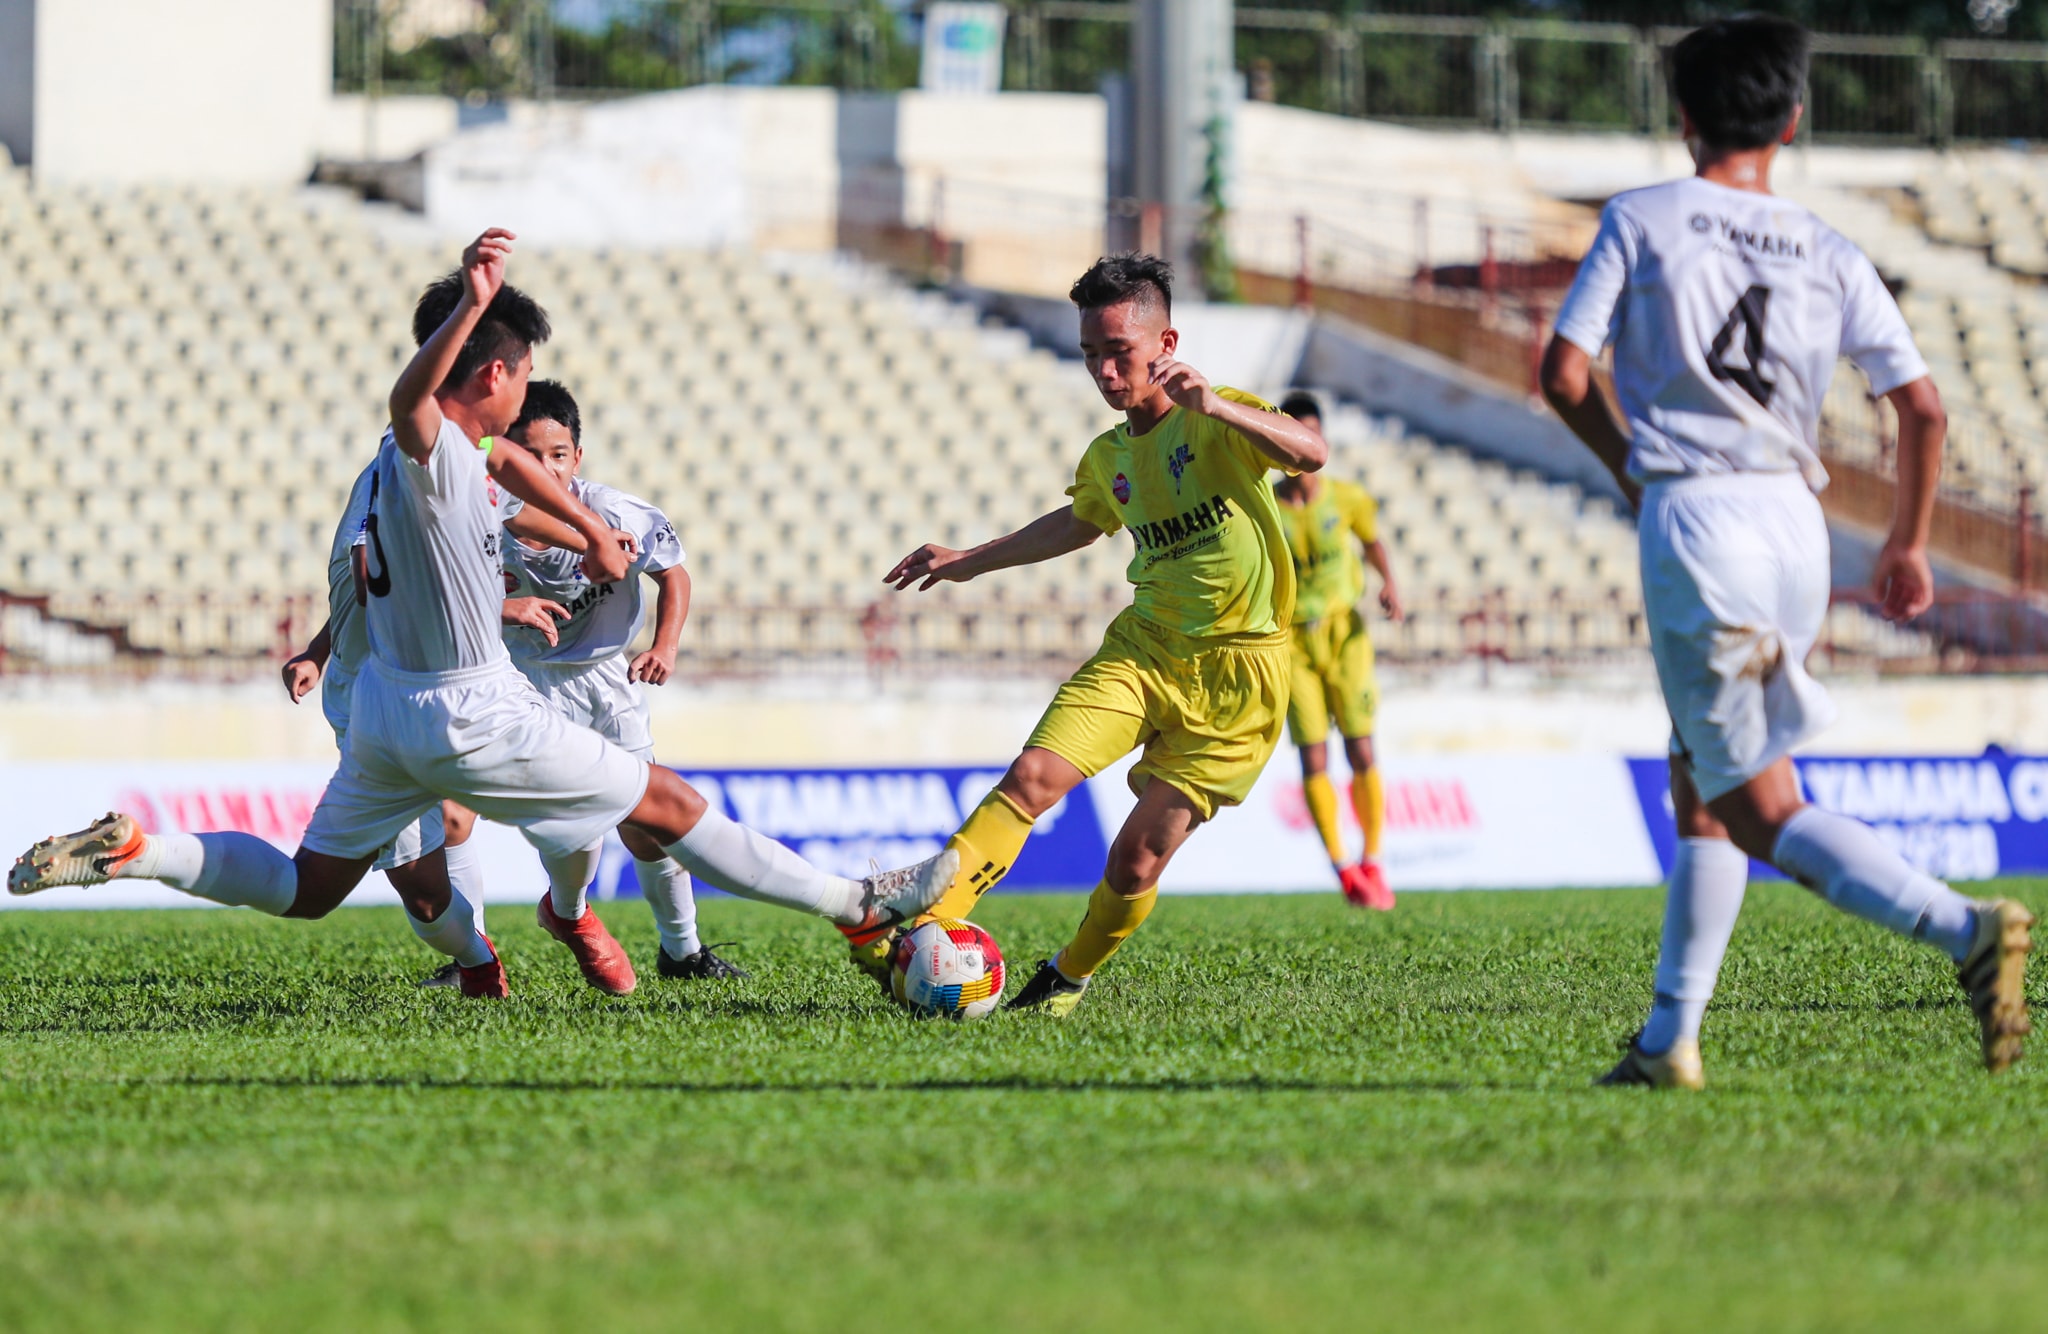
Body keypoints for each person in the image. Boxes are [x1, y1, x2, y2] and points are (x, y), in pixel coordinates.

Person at [9, 229, 957, 997]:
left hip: (383, 715)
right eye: (519, 368)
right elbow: (422, 400)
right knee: (663, 801)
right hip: (469, 709)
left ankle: (143, 849)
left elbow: (498, 460)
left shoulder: (417, 456)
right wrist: (470, 305)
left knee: (307, 889)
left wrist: (586, 528)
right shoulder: (426, 444)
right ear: (491, 373)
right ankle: (855, 904)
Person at [1539, 15, 2031, 1087]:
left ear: (1681, 119)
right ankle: (1668, 1037)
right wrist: (1904, 542)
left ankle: (1963, 931)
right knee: (1702, 783)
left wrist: (1629, 464)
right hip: (1791, 523)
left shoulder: (1641, 217)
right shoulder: (1826, 245)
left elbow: (1564, 374)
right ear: (1792, 120)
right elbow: (1923, 408)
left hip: (1699, 517)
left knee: (1758, 805)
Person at [878, 253, 1327, 1014]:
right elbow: (1082, 521)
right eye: (1092, 354)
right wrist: (968, 561)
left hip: (1240, 677)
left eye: (1119, 351)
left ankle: (1067, 976)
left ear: (1165, 341)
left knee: (1134, 862)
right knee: (1031, 779)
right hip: (1144, 650)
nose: (1105, 372)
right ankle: (929, 928)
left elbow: (1310, 454)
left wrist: (1218, 407)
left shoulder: (1216, 416)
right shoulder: (1111, 456)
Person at [495, 378, 743, 984]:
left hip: (605, 677)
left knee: (647, 820)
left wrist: (665, 643)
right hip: (519, 679)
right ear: (505, 456)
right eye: (530, 455)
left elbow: (674, 574)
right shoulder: (478, 517)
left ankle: (681, 951)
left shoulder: (617, 511)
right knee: (565, 825)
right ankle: (529, 931)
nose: (548, 468)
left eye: (559, 455)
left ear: (577, 457)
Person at [1271, 391, 1403, 910]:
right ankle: (1342, 868)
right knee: (1314, 756)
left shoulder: (1346, 498)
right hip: (1292, 642)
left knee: (1362, 747)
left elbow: (1372, 542)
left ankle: (1374, 859)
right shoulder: (1265, 505)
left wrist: (1390, 582)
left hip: (1345, 635)